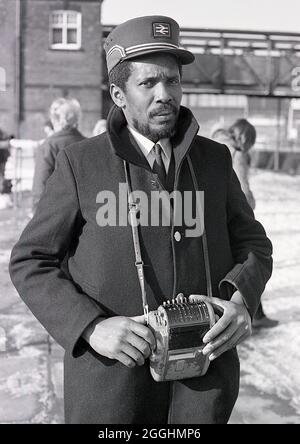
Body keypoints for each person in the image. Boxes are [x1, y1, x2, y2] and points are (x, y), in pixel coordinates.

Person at [9, 16, 273, 424]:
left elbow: (254, 245)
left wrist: (241, 304)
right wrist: (91, 326)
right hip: (110, 388)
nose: (165, 94)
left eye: (172, 81)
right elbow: (31, 260)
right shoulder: (80, 164)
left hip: (202, 387)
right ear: (118, 93)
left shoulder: (215, 161)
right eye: (148, 83)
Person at [212, 120, 278, 329]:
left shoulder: (213, 144)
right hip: (234, 214)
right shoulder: (238, 154)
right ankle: (256, 315)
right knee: (249, 260)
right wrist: (250, 205)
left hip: (214, 214)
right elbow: (241, 187)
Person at [31, 97, 85, 213]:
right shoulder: (89, 144)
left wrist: (36, 214)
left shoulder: (48, 146)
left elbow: (40, 186)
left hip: (58, 214)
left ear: (54, 120)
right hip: (86, 214)